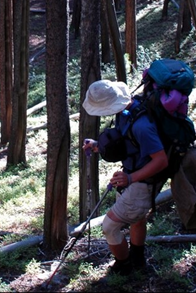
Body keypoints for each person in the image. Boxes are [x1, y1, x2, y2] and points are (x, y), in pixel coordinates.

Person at [82, 78, 168, 276]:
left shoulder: (142, 125)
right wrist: (97, 145)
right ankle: (138, 259)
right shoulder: (126, 113)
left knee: (109, 227)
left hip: (142, 180)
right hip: (132, 173)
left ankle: (124, 266)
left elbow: (161, 160)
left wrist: (131, 178)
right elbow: (127, 141)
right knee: (137, 219)